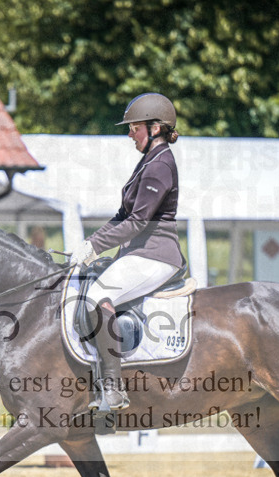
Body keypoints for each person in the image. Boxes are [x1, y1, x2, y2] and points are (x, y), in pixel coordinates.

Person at [69, 92, 185, 410]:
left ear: (156, 128)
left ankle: (112, 388)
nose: (129, 133)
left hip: (155, 253)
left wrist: (94, 246)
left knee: (96, 299)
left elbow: (136, 223)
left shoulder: (161, 164)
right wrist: (88, 247)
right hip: (137, 253)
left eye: (135, 127)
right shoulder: (147, 161)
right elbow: (121, 217)